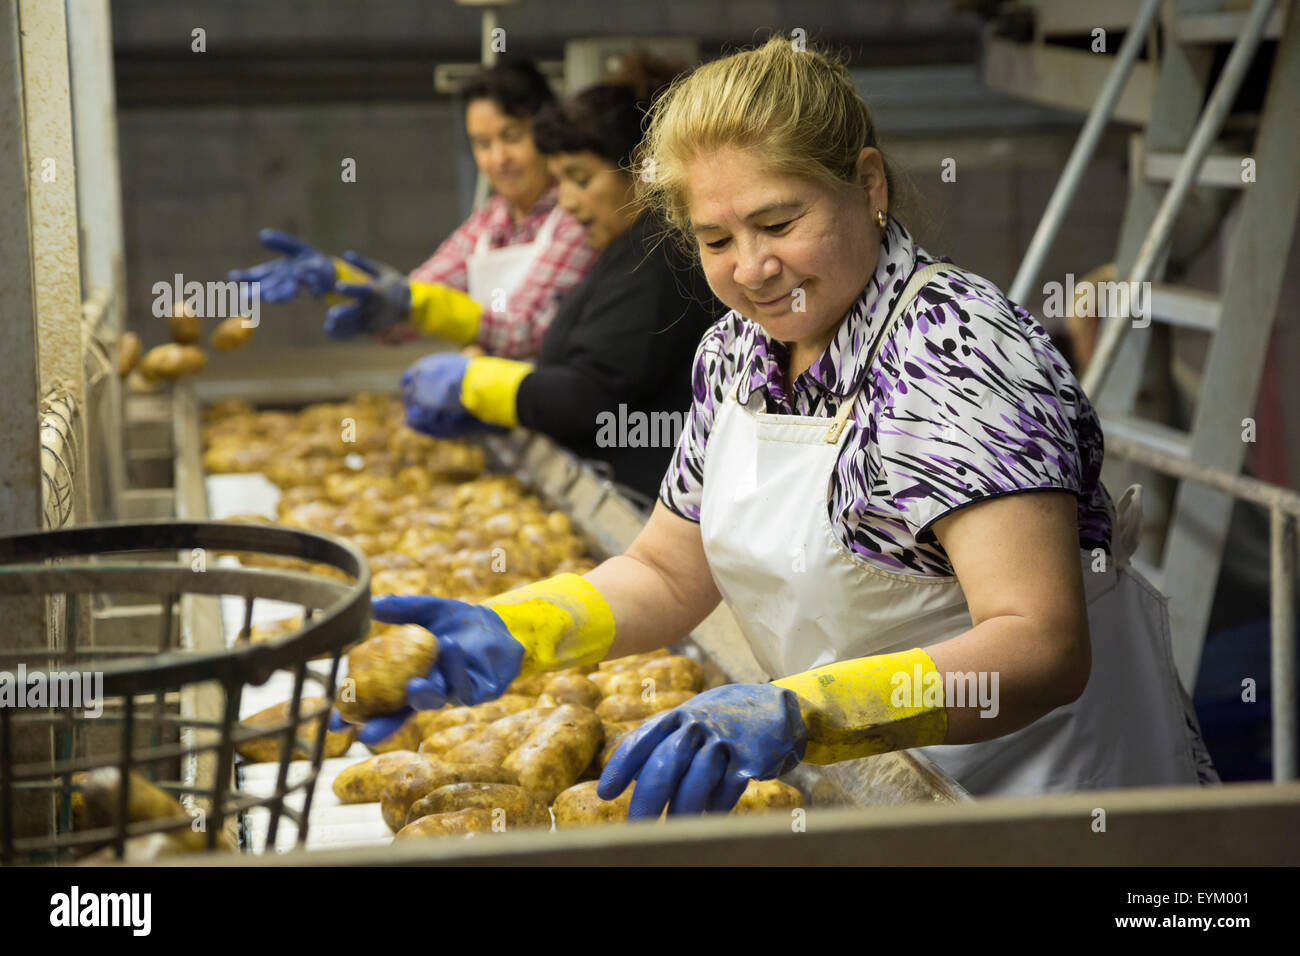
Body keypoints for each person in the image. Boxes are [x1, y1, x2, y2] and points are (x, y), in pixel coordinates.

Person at [334, 38, 1217, 816]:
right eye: (715, 240)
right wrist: (518, 629)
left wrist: (803, 712)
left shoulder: (952, 353)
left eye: (779, 222)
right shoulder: (737, 353)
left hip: (1044, 809)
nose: (752, 268)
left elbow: (1041, 646)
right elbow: (667, 573)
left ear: (866, 184)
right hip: (881, 788)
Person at [395, 54, 719, 500]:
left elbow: (594, 396)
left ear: (643, 170)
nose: (565, 201)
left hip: (654, 492)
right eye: (560, 179)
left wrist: (484, 387)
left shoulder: (660, 255)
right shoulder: (621, 249)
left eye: (580, 179)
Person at [228, 60, 598, 359]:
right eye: (482, 144)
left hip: (558, 437)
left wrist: (413, 306)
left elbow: (525, 331)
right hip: (495, 434)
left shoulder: (578, 219)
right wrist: (342, 282)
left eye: (512, 138)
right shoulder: (489, 223)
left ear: (545, 130)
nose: (498, 159)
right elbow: (414, 298)